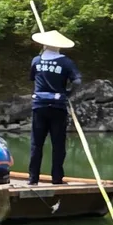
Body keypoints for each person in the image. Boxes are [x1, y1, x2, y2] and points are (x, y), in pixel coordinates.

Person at [28, 29, 81, 186]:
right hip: (58, 106)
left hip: (39, 105)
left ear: (44, 44)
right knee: (58, 144)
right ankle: (57, 179)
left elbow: (32, 78)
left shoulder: (36, 60)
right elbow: (77, 81)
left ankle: (33, 179)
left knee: (36, 144)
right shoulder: (66, 62)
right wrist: (69, 93)